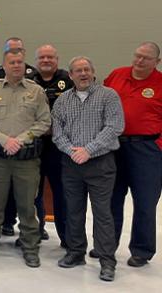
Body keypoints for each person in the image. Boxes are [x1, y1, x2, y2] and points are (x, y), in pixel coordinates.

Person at [0, 48, 50, 268]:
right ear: (4, 66)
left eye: (20, 62)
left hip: (27, 160)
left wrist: (21, 139)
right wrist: (3, 139)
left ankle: (30, 247)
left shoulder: (36, 91)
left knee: (27, 205)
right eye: (12, 62)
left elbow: (44, 122)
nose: (17, 65)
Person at [52, 56, 123, 282]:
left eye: (86, 70)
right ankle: (75, 252)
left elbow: (114, 127)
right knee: (73, 211)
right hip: (71, 164)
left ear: (93, 72)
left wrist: (88, 150)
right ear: (70, 75)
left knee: (103, 214)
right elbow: (57, 133)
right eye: (77, 71)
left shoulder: (108, 96)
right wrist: (72, 151)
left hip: (101, 164)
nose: (82, 74)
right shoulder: (62, 100)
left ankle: (107, 261)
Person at [4, 44, 73, 244]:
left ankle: (67, 237)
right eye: (42, 57)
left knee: (62, 193)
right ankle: (34, 232)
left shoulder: (67, 80)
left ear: (57, 59)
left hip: (59, 147)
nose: (46, 61)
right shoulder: (27, 81)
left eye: (50, 57)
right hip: (32, 145)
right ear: (35, 61)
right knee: (32, 193)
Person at [104, 41, 162, 267]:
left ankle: (141, 250)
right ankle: (106, 247)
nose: (139, 61)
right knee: (110, 199)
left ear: (156, 62)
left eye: (145, 58)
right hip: (114, 146)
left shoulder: (160, 83)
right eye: (137, 56)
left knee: (145, 202)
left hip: (147, 149)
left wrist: (158, 145)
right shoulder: (117, 75)